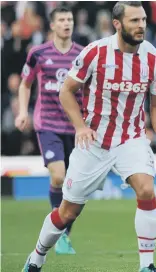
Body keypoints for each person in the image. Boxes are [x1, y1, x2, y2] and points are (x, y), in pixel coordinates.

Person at [22, 2, 156, 272]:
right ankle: (37, 256)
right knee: (67, 212)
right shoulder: (95, 52)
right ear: (118, 24)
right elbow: (66, 91)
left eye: (143, 19)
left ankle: (147, 266)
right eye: (134, 21)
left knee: (146, 189)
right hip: (93, 141)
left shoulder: (154, 59)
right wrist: (81, 127)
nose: (141, 25)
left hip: (131, 138)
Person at [15, 6, 83, 255]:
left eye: (70, 19)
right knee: (58, 176)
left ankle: (65, 232)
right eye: (62, 20)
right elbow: (25, 84)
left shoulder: (82, 55)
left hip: (76, 128)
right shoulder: (38, 53)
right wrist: (23, 112)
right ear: (53, 25)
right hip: (49, 125)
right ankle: (61, 233)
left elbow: (88, 90)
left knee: (76, 186)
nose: (67, 23)